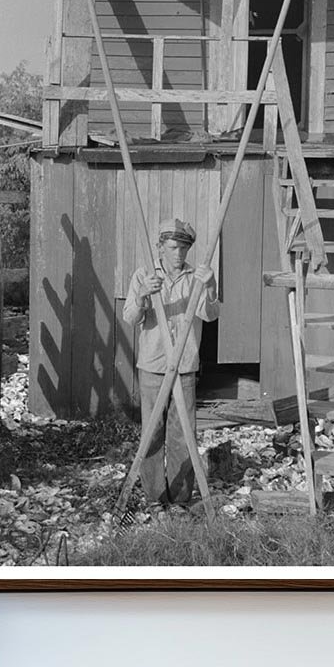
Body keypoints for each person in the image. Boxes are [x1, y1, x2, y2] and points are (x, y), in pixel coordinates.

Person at [123, 217, 219, 510]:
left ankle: (180, 499)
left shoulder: (196, 277)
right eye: (173, 247)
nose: (179, 254)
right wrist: (142, 296)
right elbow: (129, 318)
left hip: (185, 366)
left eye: (184, 249)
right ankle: (154, 497)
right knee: (152, 433)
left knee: (183, 435)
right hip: (153, 366)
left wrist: (211, 286)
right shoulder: (144, 275)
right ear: (160, 247)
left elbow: (211, 315)